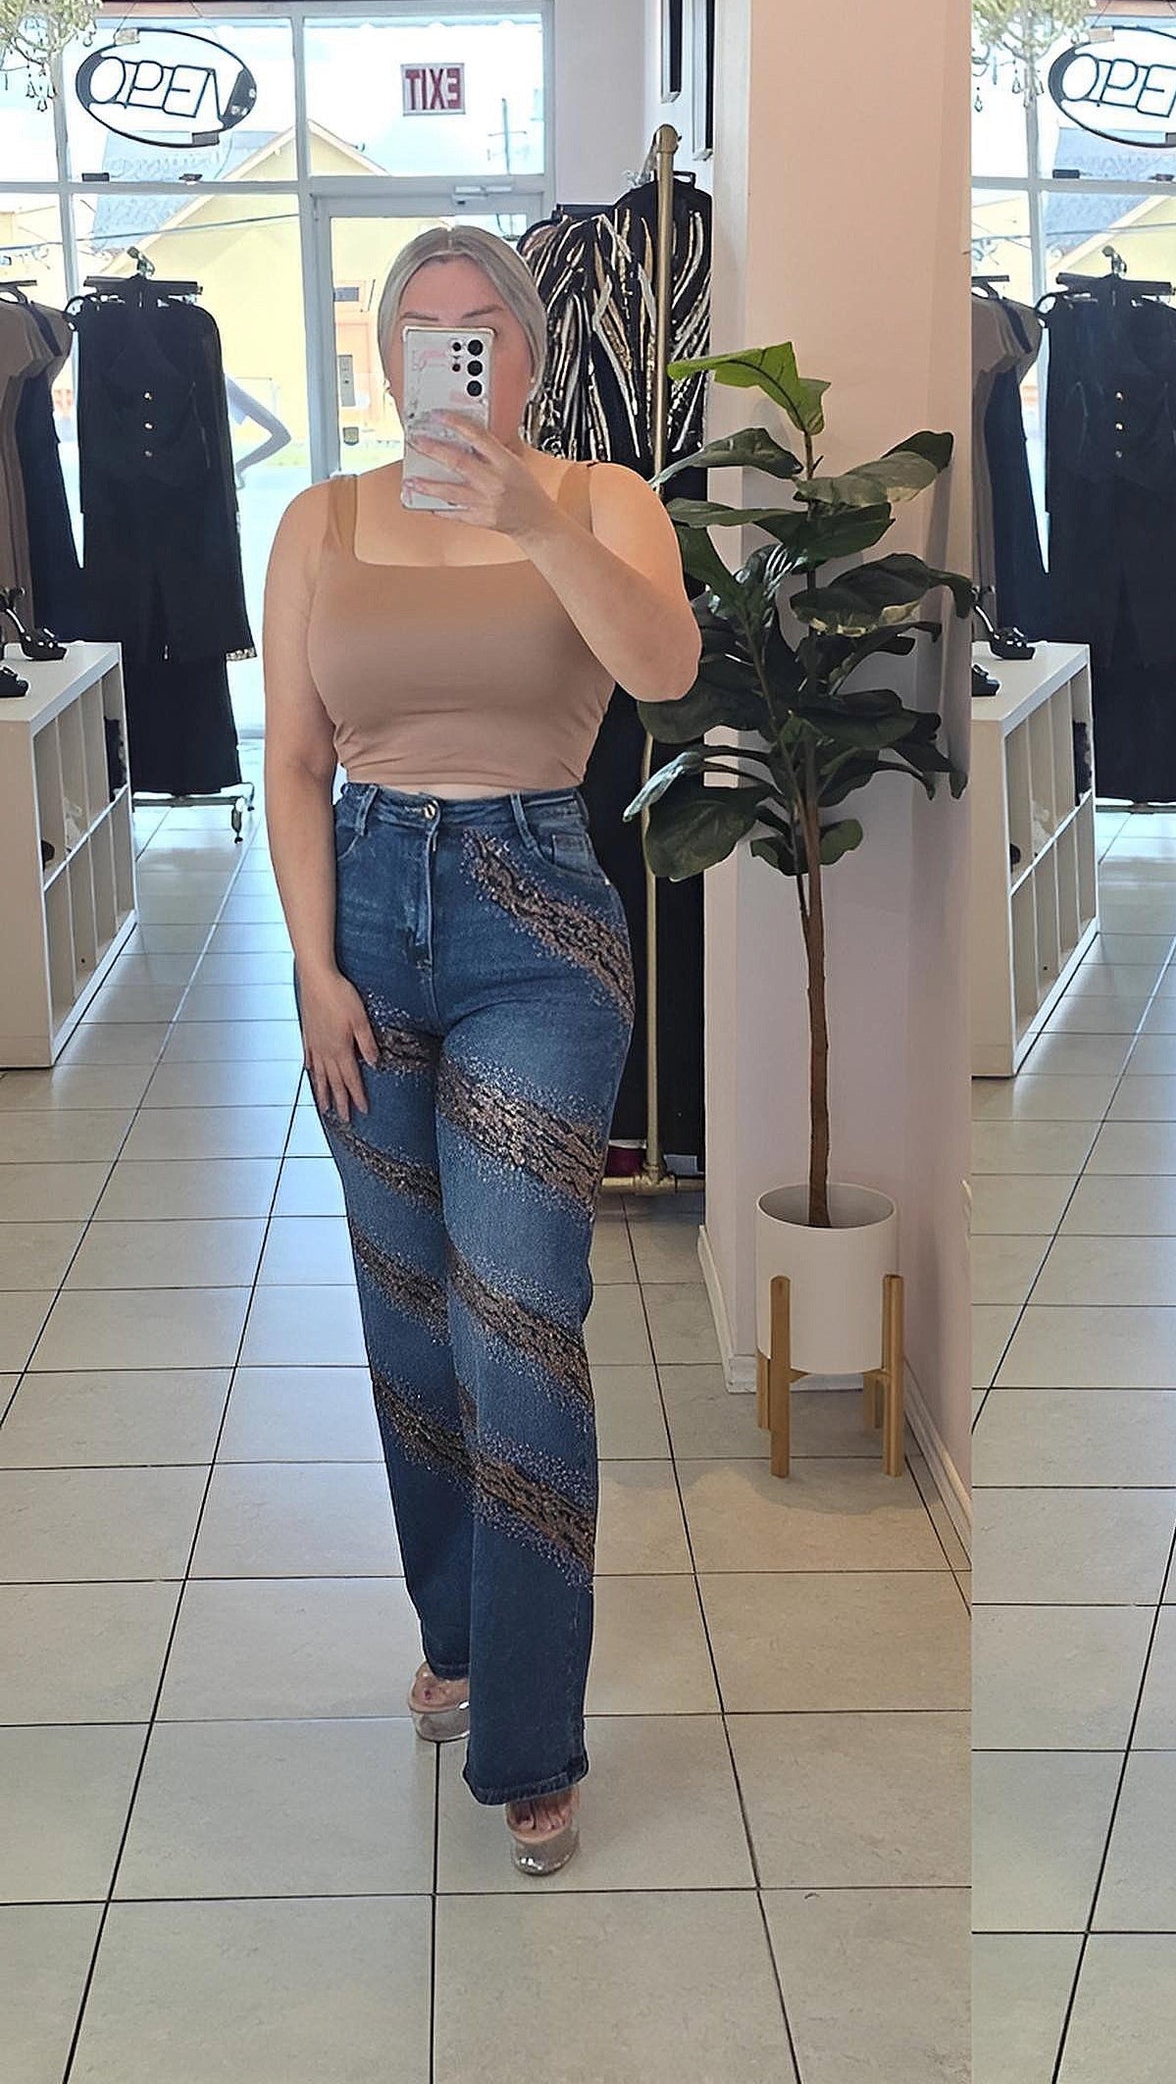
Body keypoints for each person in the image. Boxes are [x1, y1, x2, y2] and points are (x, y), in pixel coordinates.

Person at [262, 224, 700, 1875]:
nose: (451, 350)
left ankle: (530, 1732)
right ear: (387, 360)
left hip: (538, 921)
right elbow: (293, 760)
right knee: (409, 1317)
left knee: (518, 1319)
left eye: (481, 327)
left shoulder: (601, 500)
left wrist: (527, 515)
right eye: (421, 327)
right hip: (366, 910)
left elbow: (665, 669)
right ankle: (457, 1632)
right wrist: (313, 965)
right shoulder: (317, 523)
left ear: (526, 355)